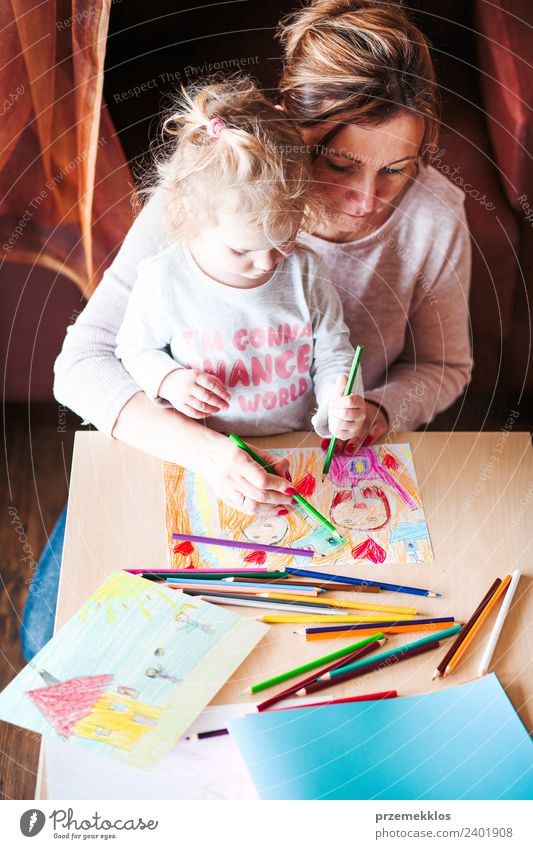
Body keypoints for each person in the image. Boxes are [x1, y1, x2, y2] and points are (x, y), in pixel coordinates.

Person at [22, 0, 472, 659]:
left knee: (304, 653)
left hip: (324, 479)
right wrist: (203, 451)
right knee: (57, 643)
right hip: (180, 452)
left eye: (395, 169)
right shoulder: (214, 189)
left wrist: (377, 408)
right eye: (340, 165)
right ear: (291, 130)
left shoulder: (434, 218)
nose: (366, 199)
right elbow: (83, 362)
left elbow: (444, 367)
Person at [114, 77, 365, 507]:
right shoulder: (164, 279)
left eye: (283, 240)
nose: (268, 263)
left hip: (297, 444)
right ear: (190, 217)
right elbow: (133, 349)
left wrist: (338, 400)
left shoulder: (305, 270)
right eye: (241, 250)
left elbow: (334, 352)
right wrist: (170, 380)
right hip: (201, 454)